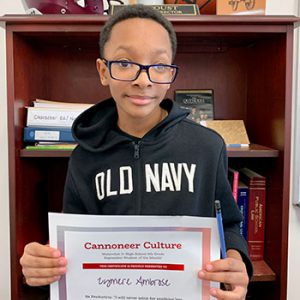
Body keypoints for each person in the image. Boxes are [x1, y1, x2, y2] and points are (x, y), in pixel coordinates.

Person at [20, 4, 252, 299]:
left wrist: (236, 259)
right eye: (125, 63)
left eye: (159, 65)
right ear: (104, 71)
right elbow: (73, 246)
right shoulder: (84, 157)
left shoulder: (207, 147)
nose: (143, 80)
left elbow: (229, 223)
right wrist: (42, 264)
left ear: (171, 74)